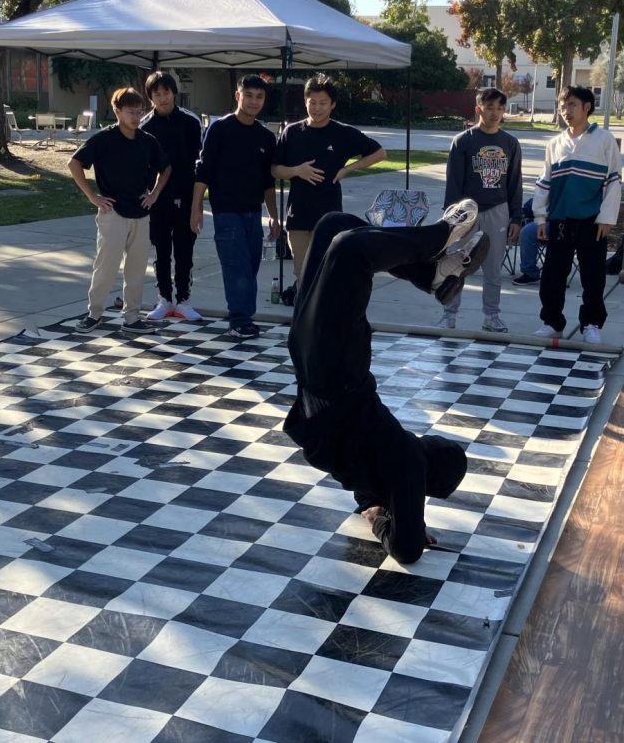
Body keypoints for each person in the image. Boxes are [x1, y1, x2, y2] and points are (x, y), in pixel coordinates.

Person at [284, 201, 489, 564]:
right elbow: (372, 484)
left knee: (349, 248)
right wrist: (380, 510)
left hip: (335, 375)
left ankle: (441, 235)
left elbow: (408, 550)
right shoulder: (381, 472)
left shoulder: (406, 464)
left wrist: (382, 521)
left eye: (431, 443)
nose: (423, 438)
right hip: (316, 371)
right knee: (335, 222)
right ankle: (432, 276)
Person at [68, 86, 171, 334]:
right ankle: (94, 314)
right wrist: (93, 197)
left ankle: (132, 317)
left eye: (139, 112)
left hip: (141, 212)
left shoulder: (147, 141)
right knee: (106, 266)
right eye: (130, 112)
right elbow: (74, 163)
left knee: (136, 269)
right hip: (112, 212)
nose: (136, 117)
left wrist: (155, 194)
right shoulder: (104, 139)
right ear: (117, 111)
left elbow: (166, 167)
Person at [272, 73, 386, 284]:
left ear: (332, 104)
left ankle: (324, 315)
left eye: (322, 103)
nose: (317, 108)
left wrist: (347, 169)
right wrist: (297, 171)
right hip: (298, 215)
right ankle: (303, 313)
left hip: (329, 216)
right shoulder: (292, 132)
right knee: (302, 275)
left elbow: (379, 153)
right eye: (312, 102)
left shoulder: (343, 133)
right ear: (305, 102)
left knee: (326, 275)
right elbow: (276, 170)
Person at [191, 75, 279, 339]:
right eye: (248, 95)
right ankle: (239, 319)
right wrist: (196, 208)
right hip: (226, 212)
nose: (254, 101)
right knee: (236, 266)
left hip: (253, 213)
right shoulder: (220, 129)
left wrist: (274, 217)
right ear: (238, 96)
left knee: (250, 267)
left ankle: (245, 318)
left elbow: (268, 182)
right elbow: (203, 171)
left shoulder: (265, 136)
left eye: (259, 97)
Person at [533, 85, 621, 345]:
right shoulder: (555, 144)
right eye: (562, 106)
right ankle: (552, 322)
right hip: (560, 220)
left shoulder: (604, 140)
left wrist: (606, 217)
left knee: (593, 277)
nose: (566, 111)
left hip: (591, 221)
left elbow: (614, 180)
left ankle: (591, 323)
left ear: (587, 107)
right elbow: (544, 182)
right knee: (552, 276)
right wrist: (540, 217)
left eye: (572, 105)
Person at [436, 87, 522, 333]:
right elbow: (453, 182)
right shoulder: (463, 141)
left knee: (493, 268)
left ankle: (491, 316)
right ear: (478, 109)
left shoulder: (510, 143)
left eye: (500, 108)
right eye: (490, 107)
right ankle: (449, 314)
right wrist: (450, 218)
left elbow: (515, 181)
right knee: (455, 264)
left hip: (498, 210)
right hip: (466, 212)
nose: (495, 113)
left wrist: (517, 216)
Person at [141, 71, 204, 322]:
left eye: (166, 92)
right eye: (157, 94)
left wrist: (197, 204)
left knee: (184, 250)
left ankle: (184, 299)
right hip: (157, 199)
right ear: (151, 98)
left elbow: (200, 163)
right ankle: (164, 299)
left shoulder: (191, 122)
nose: (163, 98)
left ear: (174, 93)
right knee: (161, 251)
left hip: (187, 196)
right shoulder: (145, 125)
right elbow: (144, 167)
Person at [512, 197, 541, 286]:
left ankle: (530, 272)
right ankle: (530, 274)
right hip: (541, 216)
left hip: (562, 219)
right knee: (515, 221)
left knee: (527, 231)